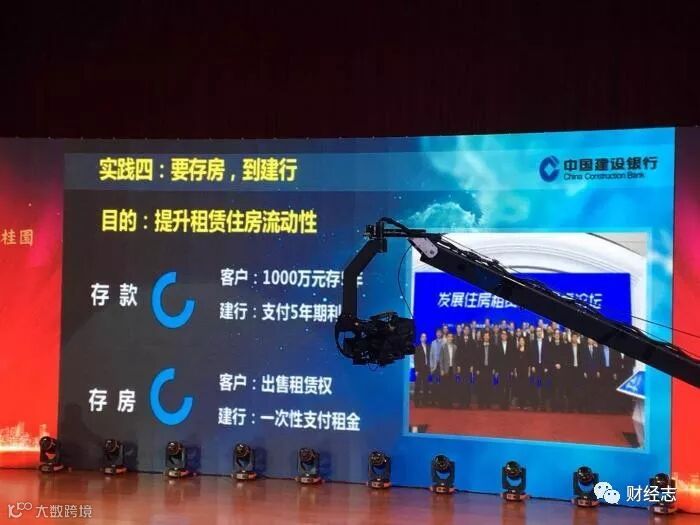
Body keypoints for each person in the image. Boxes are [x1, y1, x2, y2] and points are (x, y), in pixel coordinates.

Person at [529, 326, 552, 410]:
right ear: (536, 333)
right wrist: (532, 366)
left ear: (542, 332)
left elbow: (549, 356)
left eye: (540, 331)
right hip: (536, 367)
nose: (538, 332)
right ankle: (536, 405)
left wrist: (547, 367)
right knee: (536, 386)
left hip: (544, 368)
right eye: (537, 331)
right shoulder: (533, 343)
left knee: (545, 386)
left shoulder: (546, 342)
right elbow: (531, 356)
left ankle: (543, 405)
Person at [580, 337, 601, 412]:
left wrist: (598, 371)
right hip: (587, 372)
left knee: (595, 389)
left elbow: (598, 361)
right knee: (587, 390)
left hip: (595, 372)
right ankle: (587, 407)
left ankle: (594, 407)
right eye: (589, 339)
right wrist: (584, 372)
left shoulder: (596, 349)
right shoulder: (584, 349)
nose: (590, 340)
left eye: (592, 339)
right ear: (587, 340)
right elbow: (583, 361)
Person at [439, 332, 459, 408]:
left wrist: (457, 368)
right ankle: (444, 403)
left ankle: (450, 403)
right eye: (449, 337)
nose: (450, 338)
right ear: (447, 338)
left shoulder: (455, 347)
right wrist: (441, 369)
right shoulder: (443, 347)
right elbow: (441, 359)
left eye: (451, 337)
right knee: (445, 387)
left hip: (452, 369)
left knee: (451, 387)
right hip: (445, 369)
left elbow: (456, 359)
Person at [477, 330, 496, 409]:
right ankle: (481, 403)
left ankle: (488, 403)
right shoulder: (479, 346)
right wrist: (477, 369)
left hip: (490, 368)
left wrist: (494, 368)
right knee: (481, 386)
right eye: (485, 336)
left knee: (489, 386)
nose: (486, 337)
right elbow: (477, 359)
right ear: (483, 337)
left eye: (487, 336)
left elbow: (495, 359)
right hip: (481, 369)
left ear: (489, 337)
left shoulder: (493, 347)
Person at [496, 329, 513, 409]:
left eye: (505, 334)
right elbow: (495, 359)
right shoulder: (497, 345)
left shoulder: (510, 345)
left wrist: (512, 370)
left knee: (507, 386)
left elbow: (512, 358)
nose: (503, 335)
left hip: (508, 369)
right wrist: (496, 370)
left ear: (507, 336)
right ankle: (501, 403)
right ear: (501, 336)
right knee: (500, 387)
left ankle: (506, 404)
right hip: (500, 369)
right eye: (502, 334)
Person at [565, 333, 582, 412]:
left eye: (575, 337)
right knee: (570, 388)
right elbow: (565, 359)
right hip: (570, 370)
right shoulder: (567, 347)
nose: (574, 338)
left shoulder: (581, 347)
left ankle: (577, 407)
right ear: (571, 338)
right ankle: (570, 407)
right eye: (573, 337)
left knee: (578, 388)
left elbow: (582, 359)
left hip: (578, 370)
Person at [512, 335, 530, 408]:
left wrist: (529, 371)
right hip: (518, 370)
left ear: (524, 342)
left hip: (525, 370)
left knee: (525, 387)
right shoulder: (516, 350)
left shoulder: (528, 350)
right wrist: (515, 371)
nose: (521, 342)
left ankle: (524, 404)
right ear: (519, 342)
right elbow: (515, 361)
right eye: (520, 341)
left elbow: (529, 361)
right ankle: (519, 404)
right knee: (519, 387)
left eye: (523, 340)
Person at [550, 330, 566, 411]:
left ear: (559, 335)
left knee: (561, 388)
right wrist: (555, 364)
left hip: (561, 369)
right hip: (553, 369)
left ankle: (561, 407)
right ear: (553, 335)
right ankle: (553, 407)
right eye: (555, 334)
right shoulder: (551, 344)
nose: (557, 335)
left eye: (558, 334)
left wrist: (560, 364)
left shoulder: (563, 345)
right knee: (553, 388)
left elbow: (565, 356)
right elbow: (549, 356)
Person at [413, 333, 430, 407]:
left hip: (426, 368)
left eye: (425, 337)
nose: (424, 338)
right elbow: (415, 359)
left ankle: (425, 402)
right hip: (419, 369)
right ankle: (416, 402)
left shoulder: (428, 346)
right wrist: (416, 370)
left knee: (426, 386)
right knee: (418, 386)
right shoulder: (417, 347)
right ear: (420, 338)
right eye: (422, 337)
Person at [429, 329, 444, 406]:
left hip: (442, 366)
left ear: (441, 334)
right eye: (437, 332)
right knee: (434, 384)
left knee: (441, 384)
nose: (438, 334)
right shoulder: (433, 343)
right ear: (436, 334)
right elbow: (431, 355)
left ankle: (440, 400)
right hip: (434, 366)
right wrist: (431, 366)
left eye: (439, 332)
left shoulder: (444, 342)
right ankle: (433, 401)